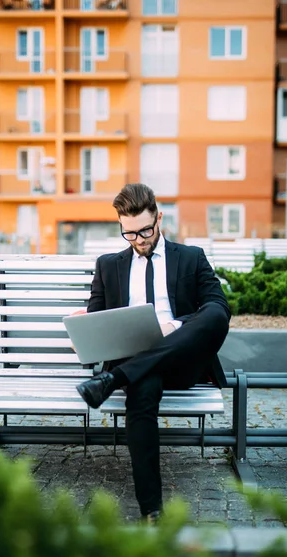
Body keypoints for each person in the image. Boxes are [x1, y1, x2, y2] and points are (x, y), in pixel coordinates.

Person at [76, 183, 230, 523]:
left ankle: (112, 380)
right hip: (136, 363)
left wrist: (174, 328)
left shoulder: (191, 257)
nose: (139, 240)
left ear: (159, 218)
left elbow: (217, 307)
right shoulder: (108, 266)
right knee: (141, 392)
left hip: (181, 361)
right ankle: (152, 512)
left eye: (145, 230)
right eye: (128, 234)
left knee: (217, 314)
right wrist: (84, 328)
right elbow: (97, 318)